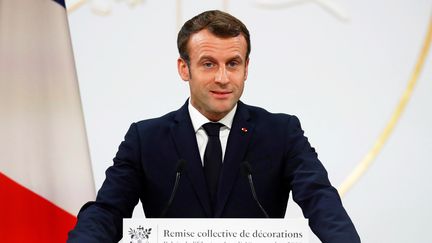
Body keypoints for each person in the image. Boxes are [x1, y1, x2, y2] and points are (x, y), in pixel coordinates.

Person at [68, 10, 360, 243]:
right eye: (208, 64)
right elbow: (108, 211)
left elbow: (320, 199)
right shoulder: (146, 138)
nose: (223, 78)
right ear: (185, 68)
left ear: (246, 68)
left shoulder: (281, 132)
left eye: (233, 63)